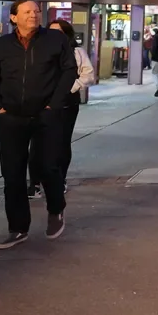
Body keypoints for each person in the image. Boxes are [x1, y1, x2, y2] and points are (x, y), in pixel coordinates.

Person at [0, 0, 78, 248]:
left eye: (37, 11)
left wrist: (53, 106)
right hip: (11, 118)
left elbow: (70, 71)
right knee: (13, 175)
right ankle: (18, 228)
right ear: (14, 17)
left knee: (47, 166)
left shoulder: (55, 40)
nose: (33, 15)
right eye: (27, 12)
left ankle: (56, 209)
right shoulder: (3, 44)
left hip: (45, 116)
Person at [28, 19, 95, 195]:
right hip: (40, 103)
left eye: (59, 32)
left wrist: (70, 88)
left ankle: (59, 180)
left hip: (66, 104)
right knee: (37, 143)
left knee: (61, 142)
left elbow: (88, 76)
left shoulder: (77, 52)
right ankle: (35, 183)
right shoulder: (37, 50)